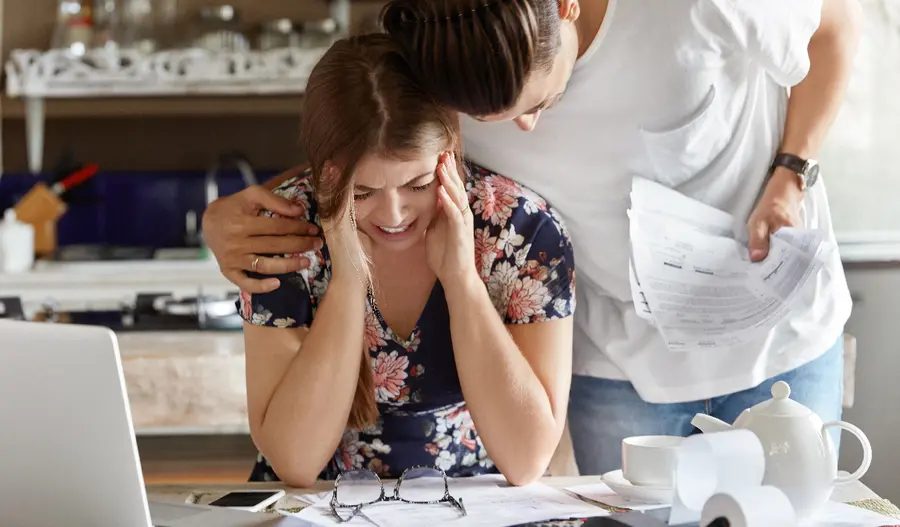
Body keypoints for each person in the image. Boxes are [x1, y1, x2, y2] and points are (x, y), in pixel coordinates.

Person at [204, 0, 862, 475]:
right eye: (490, 119)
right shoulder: (449, 53)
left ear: (567, 9)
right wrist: (229, 217)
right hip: (619, 362)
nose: (520, 132)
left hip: (776, 334)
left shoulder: (693, 9)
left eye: (536, 104)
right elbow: (375, 136)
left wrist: (792, 172)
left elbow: (834, 28)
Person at [237, 33, 576, 487]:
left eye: (417, 184)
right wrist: (348, 279)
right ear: (324, 174)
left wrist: (462, 281)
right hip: (321, 502)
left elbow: (527, 459)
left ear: (450, 151)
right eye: (362, 192)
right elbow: (294, 463)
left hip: (471, 501)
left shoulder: (523, 232)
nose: (394, 215)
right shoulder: (283, 234)